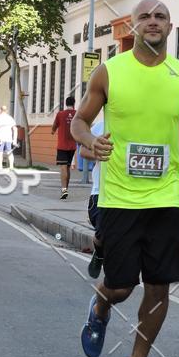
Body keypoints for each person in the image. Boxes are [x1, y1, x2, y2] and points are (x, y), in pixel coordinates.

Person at [71, 0, 179, 357]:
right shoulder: (109, 72)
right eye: (144, 17)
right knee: (121, 287)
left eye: (160, 17)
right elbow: (79, 121)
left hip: (166, 196)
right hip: (118, 196)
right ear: (132, 27)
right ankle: (100, 306)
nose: (153, 22)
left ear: (170, 27)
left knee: (158, 286)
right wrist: (89, 141)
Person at [79, 118, 105, 278]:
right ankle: (99, 253)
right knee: (102, 234)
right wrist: (99, 154)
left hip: (133, 196)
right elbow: (83, 151)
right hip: (101, 192)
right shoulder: (102, 125)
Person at [51, 96, 77, 199]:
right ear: (74, 104)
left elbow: (54, 126)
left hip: (62, 145)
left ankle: (63, 190)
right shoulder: (76, 114)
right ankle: (66, 188)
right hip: (72, 146)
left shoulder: (60, 114)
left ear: (66, 104)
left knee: (63, 168)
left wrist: (52, 131)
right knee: (68, 167)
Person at [0, 105, 18, 170]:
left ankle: (0, 167)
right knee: (9, 152)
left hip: (0, 138)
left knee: (0, 153)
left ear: (0, 110)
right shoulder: (10, 118)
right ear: (7, 111)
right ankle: (11, 167)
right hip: (8, 138)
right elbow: (15, 129)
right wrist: (14, 140)